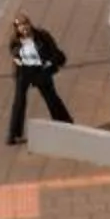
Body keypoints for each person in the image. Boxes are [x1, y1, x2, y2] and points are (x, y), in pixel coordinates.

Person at [7, 14, 71, 144]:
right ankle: (13, 134)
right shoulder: (15, 40)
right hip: (24, 71)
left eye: (25, 24)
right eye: (20, 26)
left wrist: (49, 63)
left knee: (51, 98)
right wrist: (17, 60)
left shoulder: (42, 36)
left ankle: (64, 124)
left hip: (40, 70)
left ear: (30, 24)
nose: (24, 28)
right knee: (19, 101)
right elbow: (13, 51)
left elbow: (53, 51)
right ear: (17, 29)